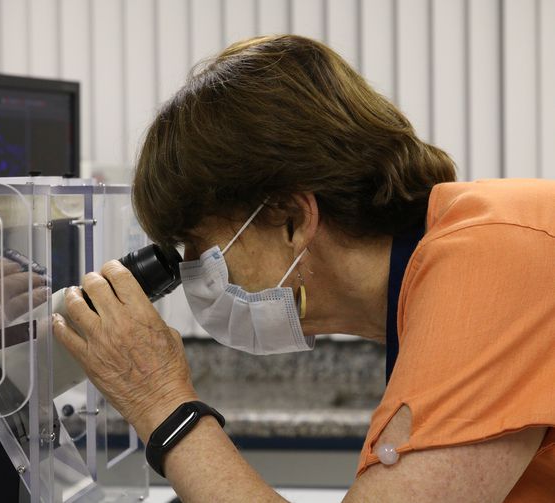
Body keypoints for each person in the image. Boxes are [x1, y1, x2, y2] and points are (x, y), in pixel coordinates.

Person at [52, 35, 555, 502]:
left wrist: (160, 400)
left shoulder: (496, 259)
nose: (191, 275)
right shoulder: (440, 279)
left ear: (293, 219)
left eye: (200, 246)